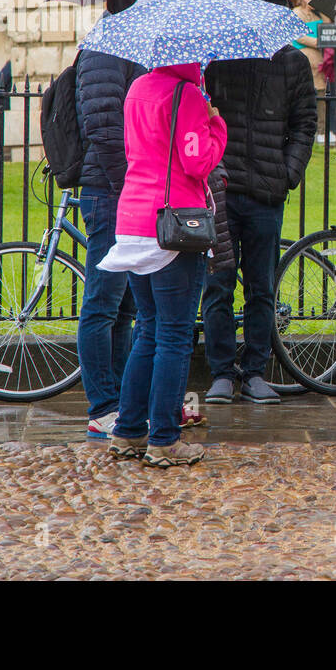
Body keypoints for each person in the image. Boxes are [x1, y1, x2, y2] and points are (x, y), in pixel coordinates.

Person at [102, 61, 227, 467]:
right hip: (173, 223)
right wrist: (216, 124)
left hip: (133, 220)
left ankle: (128, 431)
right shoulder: (187, 95)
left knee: (148, 331)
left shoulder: (137, 86)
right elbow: (197, 161)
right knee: (173, 335)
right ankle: (165, 440)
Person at [201, 41, 318, 404]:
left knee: (261, 286)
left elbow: (304, 123)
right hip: (221, 187)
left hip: (266, 191)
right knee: (217, 284)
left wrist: (288, 174)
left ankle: (254, 372)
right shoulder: (217, 56)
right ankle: (221, 372)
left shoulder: (292, 62)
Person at [74, 0, 153, 440]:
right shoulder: (107, 46)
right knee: (102, 303)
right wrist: (132, 189)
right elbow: (103, 129)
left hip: (124, 192)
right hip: (109, 193)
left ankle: (121, 399)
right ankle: (102, 403)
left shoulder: (132, 44)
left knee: (123, 306)